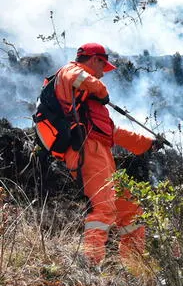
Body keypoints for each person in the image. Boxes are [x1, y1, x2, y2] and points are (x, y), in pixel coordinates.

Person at [54, 43, 164, 266]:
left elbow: (113, 133)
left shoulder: (89, 102)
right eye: (103, 66)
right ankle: (91, 265)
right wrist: (101, 91)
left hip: (101, 154)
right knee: (103, 208)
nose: (104, 73)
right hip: (86, 150)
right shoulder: (70, 71)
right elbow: (78, 76)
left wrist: (148, 144)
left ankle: (134, 267)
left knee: (131, 209)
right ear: (94, 60)